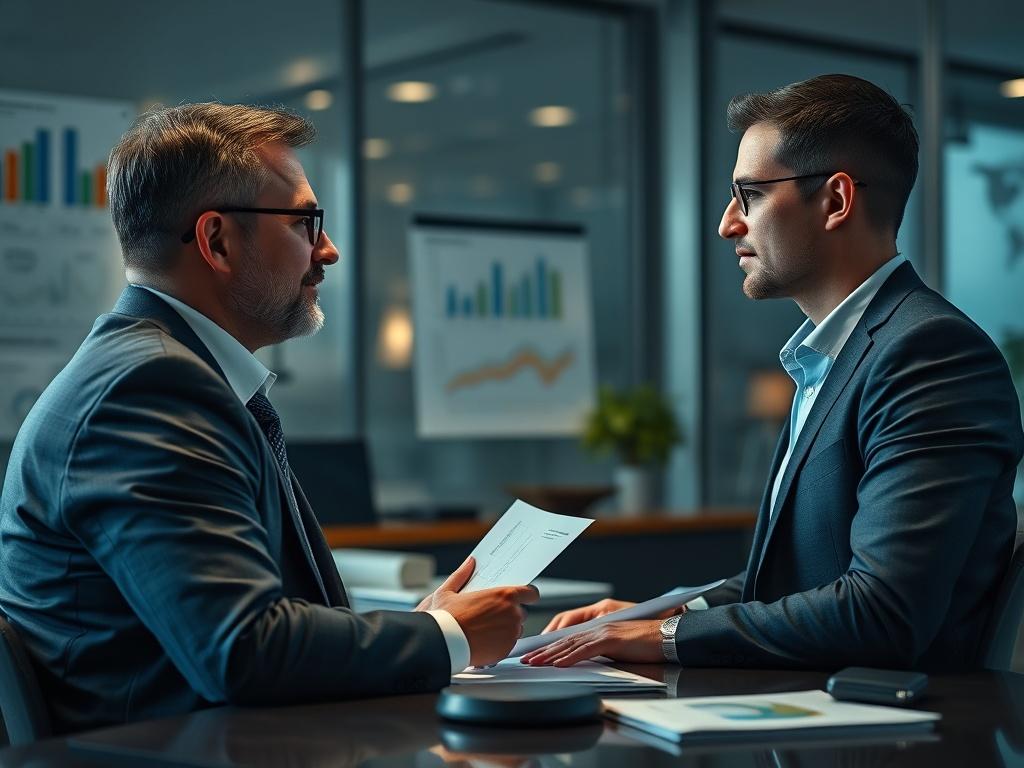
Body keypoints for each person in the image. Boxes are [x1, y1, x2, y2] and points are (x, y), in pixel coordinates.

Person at [0, 103, 538, 735]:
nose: (329, 251)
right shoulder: (148, 389)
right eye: (307, 223)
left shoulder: (167, 372)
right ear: (217, 241)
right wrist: (445, 636)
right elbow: (244, 652)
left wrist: (421, 628)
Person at [522, 74, 1024, 671]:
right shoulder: (836, 354)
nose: (728, 224)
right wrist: (657, 617)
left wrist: (663, 639)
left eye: (750, 195)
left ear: (836, 201)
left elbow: (883, 610)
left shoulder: (930, 355)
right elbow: (793, 578)